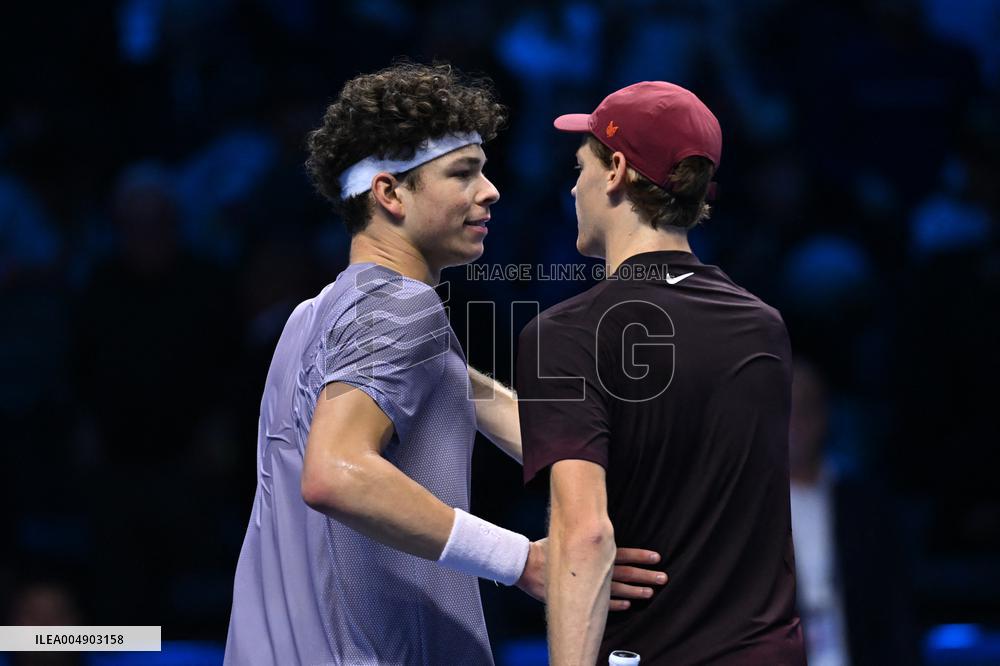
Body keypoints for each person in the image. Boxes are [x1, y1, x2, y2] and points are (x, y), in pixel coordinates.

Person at [224, 62, 664, 666]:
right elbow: (334, 473)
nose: (490, 191)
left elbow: (476, 397)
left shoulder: (312, 317)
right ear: (390, 194)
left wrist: (643, 470)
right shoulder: (402, 308)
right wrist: (521, 560)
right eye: (463, 173)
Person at [515, 81, 806, 664]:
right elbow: (633, 441)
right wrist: (463, 383)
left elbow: (585, 534)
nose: (573, 187)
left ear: (616, 171)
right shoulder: (763, 326)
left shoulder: (566, 334)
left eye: (580, 167)